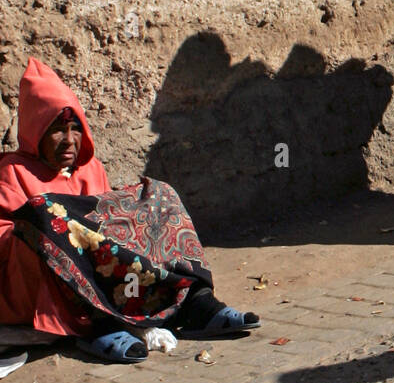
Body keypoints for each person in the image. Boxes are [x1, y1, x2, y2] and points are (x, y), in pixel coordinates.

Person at [0, 58, 261, 361]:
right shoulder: (12, 171)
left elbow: (108, 226)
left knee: (159, 195)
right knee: (43, 218)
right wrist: (46, 221)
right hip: (36, 287)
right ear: (35, 132)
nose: (70, 141)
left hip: (100, 276)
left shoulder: (89, 169)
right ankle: (99, 325)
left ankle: (195, 303)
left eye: (76, 129)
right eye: (57, 130)